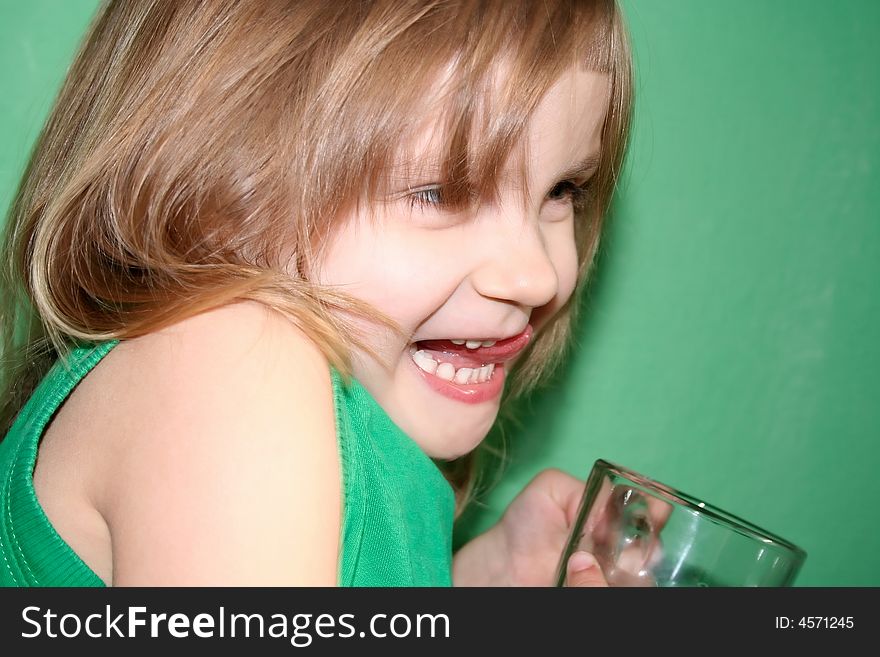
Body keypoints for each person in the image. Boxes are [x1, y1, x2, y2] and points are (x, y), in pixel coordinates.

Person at [0, 0, 632, 587]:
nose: (538, 277)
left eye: (563, 190)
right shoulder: (228, 365)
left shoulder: (321, 418)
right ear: (218, 193)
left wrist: (483, 582)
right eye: (438, 192)